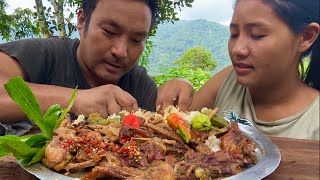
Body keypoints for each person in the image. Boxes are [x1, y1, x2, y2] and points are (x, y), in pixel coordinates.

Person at [0, 0, 165, 136]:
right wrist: (75, 100)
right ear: (82, 21)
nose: (120, 51)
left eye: (136, 40)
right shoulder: (43, 54)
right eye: (109, 32)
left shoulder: (141, 87)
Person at [160, 0, 320, 140]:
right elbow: (177, 121)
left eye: (257, 35)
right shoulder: (227, 80)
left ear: (306, 36)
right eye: (234, 34)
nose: (237, 49)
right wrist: (181, 85)